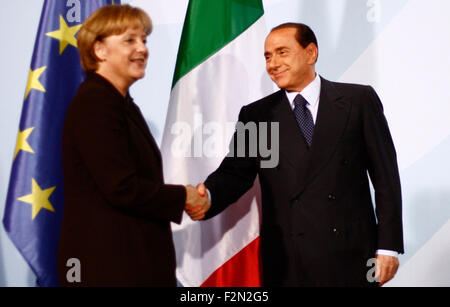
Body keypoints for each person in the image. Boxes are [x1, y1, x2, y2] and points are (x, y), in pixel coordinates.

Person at [186, 23, 403, 287]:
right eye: (267, 56)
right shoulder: (258, 116)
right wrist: (207, 196)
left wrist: (388, 246)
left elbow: (385, 178)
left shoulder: (358, 100)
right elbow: (235, 173)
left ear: (311, 53)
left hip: (353, 255)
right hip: (288, 261)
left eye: (282, 52)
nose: (273, 63)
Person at [58, 4, 207, 286]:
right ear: (99, 50)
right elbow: (121, 187)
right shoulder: (96, 102)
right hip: (108, 266)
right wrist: (184, 196)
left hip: (130, 260)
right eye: (129, 40)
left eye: (144, 40)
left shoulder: (119, 102)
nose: (142, 49)